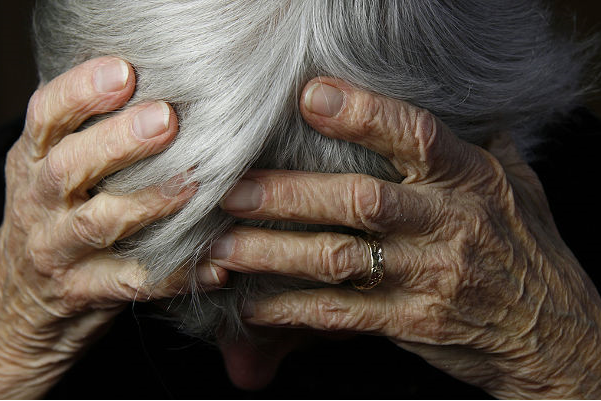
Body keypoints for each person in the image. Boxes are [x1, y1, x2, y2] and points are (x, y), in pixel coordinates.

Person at [1, 0, 601, 398]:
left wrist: (571, 365)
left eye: (337, 323)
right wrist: (12, 348)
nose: (248, 376)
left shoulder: (560, 244)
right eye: (160, 306)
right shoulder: (40, 218)